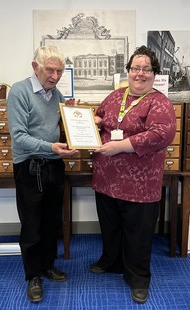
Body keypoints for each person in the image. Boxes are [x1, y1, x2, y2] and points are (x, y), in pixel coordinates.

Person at [90, 45, 176, 304]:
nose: (140, 74)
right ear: (128, 71)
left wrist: (120, 146)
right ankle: (112, 262)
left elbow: (162, 134)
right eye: (135, 68)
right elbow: (101, 117)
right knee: (111, 226)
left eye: (146, 69)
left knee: (138, 233)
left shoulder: (159, 102)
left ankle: (138, 277)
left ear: (154, 74)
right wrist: (89, 120)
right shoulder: (115, 96)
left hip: (140, 184)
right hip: (107, 180)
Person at [7, 45, 78, 303]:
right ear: (35, 66)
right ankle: (33, 275)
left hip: (53, 165)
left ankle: (47, 265)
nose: (55, 76)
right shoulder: (20, 91)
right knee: (32, 225)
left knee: (50, 222)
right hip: (30, 167)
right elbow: (19, 136)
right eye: (50, 70)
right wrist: (50, 147)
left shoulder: (56, 94)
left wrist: (71, 111)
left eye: (59, 71)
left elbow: (62, 123)